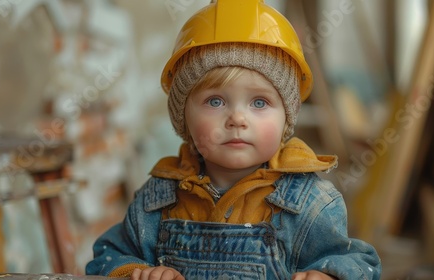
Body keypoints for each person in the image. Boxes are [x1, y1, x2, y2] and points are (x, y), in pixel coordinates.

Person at [86, 0, 382, 279]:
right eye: (215, 102)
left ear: (286, 118)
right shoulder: (157, 201)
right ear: (183, 117)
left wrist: (326, 273)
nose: (237, 119)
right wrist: (137, 271)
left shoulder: (310, 204)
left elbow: (357, 261)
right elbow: (107, 257)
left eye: (259, 103)